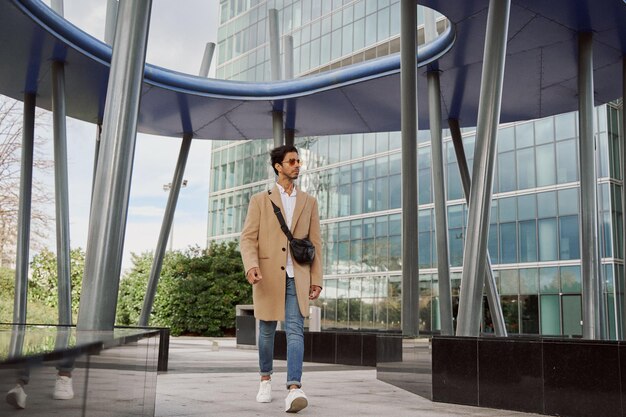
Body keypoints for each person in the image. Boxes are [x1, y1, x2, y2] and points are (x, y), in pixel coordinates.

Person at [240, 144, 323, 413]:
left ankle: (294, 388)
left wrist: (316, 278)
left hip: (297, 275)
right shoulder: (260, 200)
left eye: (299, 161)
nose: (297, 165)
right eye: (291, 161)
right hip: (266, 276)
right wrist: (251, 265)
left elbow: (316, 243)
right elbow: (248, 238)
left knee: (295, 330)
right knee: (266, 331)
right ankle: (265, 379)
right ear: (279, 166)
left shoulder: (309, 202)